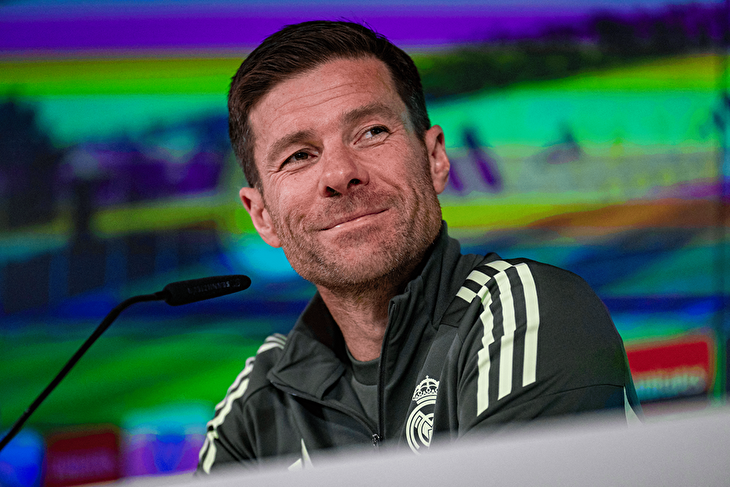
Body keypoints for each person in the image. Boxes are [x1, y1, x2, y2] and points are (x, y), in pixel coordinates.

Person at [197, 20, 641, 474]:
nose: (340, 174)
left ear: (435, 158)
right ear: (262, 216)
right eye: (298, 156)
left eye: (371, 132)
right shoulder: (257, 403)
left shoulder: (528, 311)